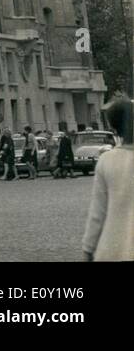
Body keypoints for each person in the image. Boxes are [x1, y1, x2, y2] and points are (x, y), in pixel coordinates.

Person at [81, 97, 134, 261]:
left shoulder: (106, 160)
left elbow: (98, 211)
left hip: (113, 247)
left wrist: (88, 248)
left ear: (114, 128)